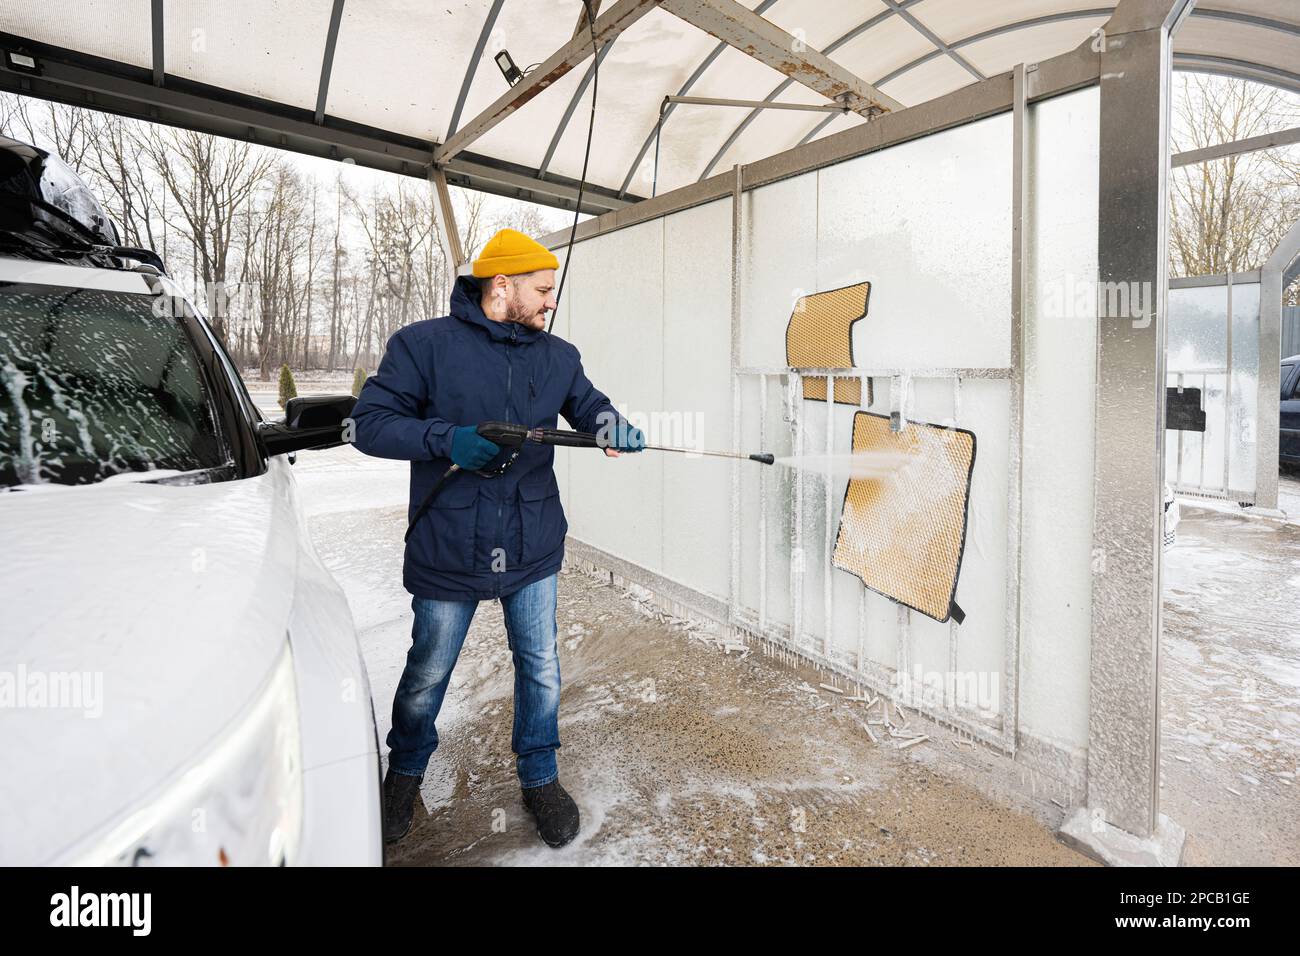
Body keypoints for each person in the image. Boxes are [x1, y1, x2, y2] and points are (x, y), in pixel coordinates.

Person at [351, 227, 644, 849]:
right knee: (429, 670)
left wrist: (610, 423)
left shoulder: (558, 355)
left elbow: (587, 403)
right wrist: (444, 438)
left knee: (540, 667)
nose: (551, 301)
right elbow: (368, 424)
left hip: (532, 537)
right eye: (542, 289)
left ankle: (540, 778)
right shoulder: (422, 345)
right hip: (448, 539)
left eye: (553, 291)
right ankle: (403, 776)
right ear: (501, 285)